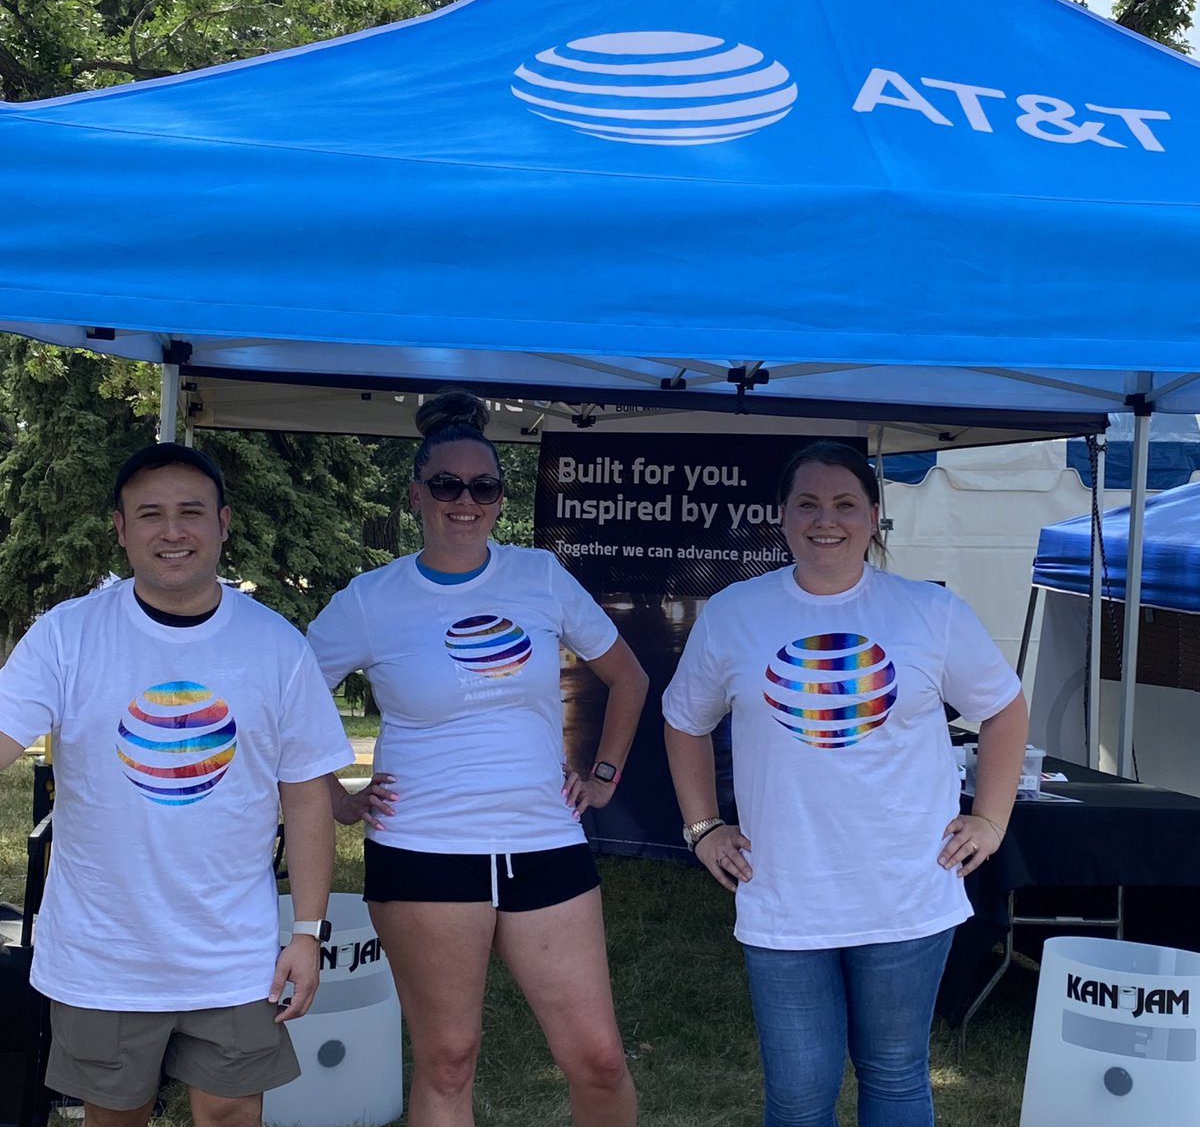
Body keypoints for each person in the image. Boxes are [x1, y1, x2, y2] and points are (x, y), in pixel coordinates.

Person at [307, 388, 648, 1127]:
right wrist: (335, 797)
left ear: (501, 497)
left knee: (597, 1057)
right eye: (447, 485)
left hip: (544, 840)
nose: (466, 500)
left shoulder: (540, 576)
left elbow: (628, 676)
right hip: (423, 848)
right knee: (449, 1058)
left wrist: (604, 776)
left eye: (483, 486)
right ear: (416, 494)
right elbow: (288, 702)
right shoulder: (372, 599)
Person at [662, 440, 1028, 1127]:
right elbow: (684, 720)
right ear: (780, 515)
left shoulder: (928, 612)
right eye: (807, 504)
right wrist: (703, 827)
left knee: (894, 1076)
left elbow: (1004, 708)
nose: (824, 520)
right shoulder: (736, 614)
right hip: (782, 890)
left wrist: (992, 818)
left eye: (843, 504)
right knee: (800, 1094)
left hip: (906, 888)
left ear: (873, 516)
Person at [0, 442, 354, 1127]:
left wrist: (306, 933)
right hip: (104, 951)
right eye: (150, 513)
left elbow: (308, 797)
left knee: (229, 1115)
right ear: (121, 529)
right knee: (118, 1115)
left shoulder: (276, 645)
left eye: (191, 512)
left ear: (223, 523)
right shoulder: (67, 637)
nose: (172, 531)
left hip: (234, 949)